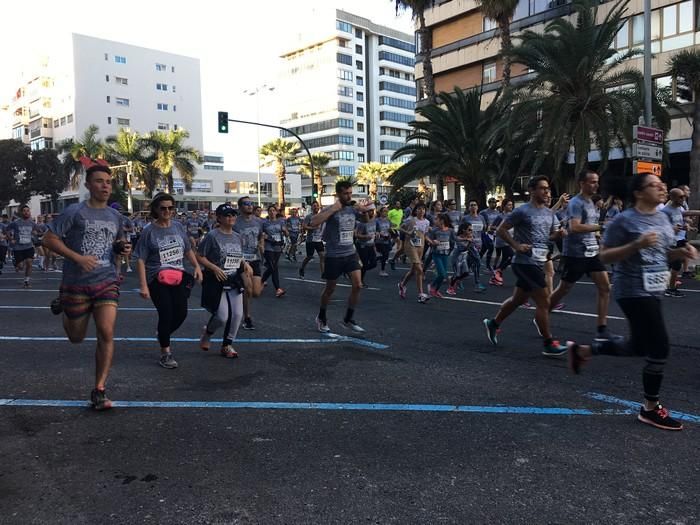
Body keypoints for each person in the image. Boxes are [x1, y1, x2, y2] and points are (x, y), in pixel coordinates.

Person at [567, 173, 697, 431]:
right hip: (632, 289)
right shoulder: (623, 221)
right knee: (659, 347)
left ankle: (582, 351)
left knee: (638, 346)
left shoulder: (661, 217)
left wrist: (681, 251)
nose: (662, 188)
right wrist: (636, 245)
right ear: (638, 192)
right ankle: (650, 408)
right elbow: (604, 256)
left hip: (654, 289)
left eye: (662, 184)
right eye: (654, 185)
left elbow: (660, 253)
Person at [42, 160, 130, 411]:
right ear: (88, 185)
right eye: (100, 181)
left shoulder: (116, 216)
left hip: (106, 281)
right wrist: (78, 258)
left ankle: (99, 390)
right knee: (76, 337)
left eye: (108, 182)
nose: (105, 186)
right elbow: (48, 239)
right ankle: (64, 305)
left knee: (106, 332)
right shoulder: (74, 212)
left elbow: (115, 242)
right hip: (76, 283)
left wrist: (122, 248)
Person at [483, 176, 568, 356]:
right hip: (524, 262)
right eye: (542, 188)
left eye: (548, 188)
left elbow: (549, 236)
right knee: (544, 301)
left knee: (518, 300)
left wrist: (559, 234)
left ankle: (493, 323)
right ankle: (548, 343)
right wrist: (516, 246)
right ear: (532, 190)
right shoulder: (522, 211)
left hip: (539, 261)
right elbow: (501, 230)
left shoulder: (549, 213)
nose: (546, 192)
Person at [134, 193, 202, 369]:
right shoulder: (149, 231)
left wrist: (196, 266)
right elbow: (140, 259)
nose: (167, 211)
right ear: (156, 209)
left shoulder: (178, 227)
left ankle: (163, 334)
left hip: (178, 275)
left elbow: (187, 250)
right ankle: (166, 353)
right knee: (166, 313)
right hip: (157, 277)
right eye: (163, 208)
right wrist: (143, 285)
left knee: (181, 313)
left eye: (170, 208)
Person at [548, 170, 612, 341]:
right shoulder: (576, 203)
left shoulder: (591, 203)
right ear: (582, 183)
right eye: (592, 182)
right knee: (564, 289)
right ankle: (542, 314)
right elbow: (574, 227)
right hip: (575, 254)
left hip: (592, 252)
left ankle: (601, 328)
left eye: (597, 182)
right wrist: (601, 227)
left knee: (605, 287)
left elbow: (590, 226)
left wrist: (597, 233)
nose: (596, 185)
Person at [311, 180, 372, 333]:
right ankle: (321, 317)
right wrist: (333, 209)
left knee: (358, 285)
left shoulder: (352, 208)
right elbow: (314, 222)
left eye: (350, 193)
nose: (348, 196)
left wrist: (364, 210)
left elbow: (366, 221)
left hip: (350, 253)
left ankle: (348, 319)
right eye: (345, 193)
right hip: (334, 255)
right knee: (330, 289)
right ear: (338, 194)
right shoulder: (331, 209)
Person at [197, 204, 254, 359]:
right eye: (227, 215)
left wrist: (245, 263)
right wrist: (214, 268)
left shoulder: (237, 236)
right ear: (219, 218)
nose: (231, 218)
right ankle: (207, 334)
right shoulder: (212, 236)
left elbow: (237, 255)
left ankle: (227, 345)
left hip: (233, 278)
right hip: (217, 279)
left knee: (237, 314)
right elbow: (199, 255)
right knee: (222, 316)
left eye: (233, 215)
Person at [661, 187, 700, 296]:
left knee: (671, 266)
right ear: (672, 197)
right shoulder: (665, 211)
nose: (684, 198)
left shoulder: (679, 208)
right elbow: (659, 227)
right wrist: (671, 229)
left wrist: (687, 226)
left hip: (679, 240)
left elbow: (685, 215)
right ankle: (671, 289)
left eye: (684, 196)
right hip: (670, 242)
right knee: (676, 266)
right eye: (681, 196)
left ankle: (666, 286)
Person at [233, 196, 265, 329]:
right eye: (246, 204)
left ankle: (241, 291)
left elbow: (260, 236)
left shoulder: (258, 222)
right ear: (240, 207)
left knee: (256, 292)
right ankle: (247, 318)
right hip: (241, 260)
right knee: (248, 289)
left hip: (255, 258)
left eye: (251, 203)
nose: (249, 206)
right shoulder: (235, 222)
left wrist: (261, 245)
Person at [397, 203, 431, 303]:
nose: (421, 211)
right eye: (419, 209)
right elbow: (400, 227)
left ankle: (402, 285)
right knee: (420, 269)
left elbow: (424, 235)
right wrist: (408, 233)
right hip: (410, 245)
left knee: (413, 270)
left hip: (420, 246)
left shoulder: (427, 222)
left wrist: (431, 241)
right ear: (415, 210)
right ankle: (421, 294)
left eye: (423, 209)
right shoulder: (411, 220)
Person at [261, 205, 288, 298]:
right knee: (274, 267)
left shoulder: (281, 222)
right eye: (270, 210)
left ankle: (260, 282)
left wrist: (285, 231)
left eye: (273, 210)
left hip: (278, 247)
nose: (272, 212)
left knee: (272, 267)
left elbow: (286, 233)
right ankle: (278, 289)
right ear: (268, 212)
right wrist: (264, 237)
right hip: (268, 247)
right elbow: (261, 234)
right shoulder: (265, 223)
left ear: (276, 212)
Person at [7, 205, 37, 288]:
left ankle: (26, 281)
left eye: (28, 210)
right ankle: (15, 262)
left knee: (29, 263)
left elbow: (35, 231)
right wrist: (11, 239)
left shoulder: (32, 223)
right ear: (21, 212)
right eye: (24, 210)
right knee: (20, 267)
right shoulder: (16, 222)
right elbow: (7, 230)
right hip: (18, 248)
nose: (26, 212)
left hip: (29, 246)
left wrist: (35, 233)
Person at [461, 200, 487, 292]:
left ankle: (457, 278)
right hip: (470, 244)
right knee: (477, 262)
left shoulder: (481, 218)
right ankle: (477, 283)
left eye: (475, 205)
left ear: (477, 207)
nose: (473, 207)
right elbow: (461, 231)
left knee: (469, 262)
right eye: (471, 205)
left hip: (479, 243)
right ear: (468, 208)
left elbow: (484, 230)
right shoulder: (465, 218)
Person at [427, 213, 454, 297]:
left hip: (445, 255)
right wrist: (432, 242)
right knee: (441, 274)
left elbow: (454, 240)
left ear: (442, 221)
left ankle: (436, 290)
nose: (435, 221)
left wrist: (465, 239)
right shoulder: (435, 230)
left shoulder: (450, 230)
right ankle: (431, 286)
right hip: (436, 254)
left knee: (444, 275)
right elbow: (428, 239)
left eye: (436, 219)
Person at [299, 201, 325, 279]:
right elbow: (304, 226)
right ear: (312, 207)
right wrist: (312, 228)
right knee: (309, 257)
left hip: (318, 239)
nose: (316, 207)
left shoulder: (321, 216)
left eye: (317, 206)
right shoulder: (309, 216)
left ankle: (323, 274)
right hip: (310, 240)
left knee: (322, 256)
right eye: (314, 206)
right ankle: (302, 269)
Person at [355, 204, 378, 287]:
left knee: (374, 263)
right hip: (362, 245)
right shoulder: (362, 223)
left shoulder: (374, 221)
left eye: (372, 210)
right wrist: (366, 236)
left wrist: (377, 234)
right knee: (364, 264)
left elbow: (374, 232)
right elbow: (357, 235)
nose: (371, 212)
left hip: (370, 245)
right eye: (369, 211)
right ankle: (360, 280)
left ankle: (356, 272)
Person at [479, 198, 502, 272]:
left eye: (495, 203)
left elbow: (499, 223)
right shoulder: (483, 212)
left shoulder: (498, 213)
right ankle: (488, 266)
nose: (494, 204)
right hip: (485, 233)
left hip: (494, 234)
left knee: (483, 250)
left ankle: (475, 262)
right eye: (493, 203)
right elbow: (480, 221)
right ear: (489, 203)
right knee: (491, 248)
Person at [375, 206, 393, 277]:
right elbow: (375, 230)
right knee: (384, 254)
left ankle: (382, 269)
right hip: (379, 241)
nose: (386, 213)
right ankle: (382, 270)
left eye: (387, 211)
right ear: (380, 212)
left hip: (387, 240)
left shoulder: (388, 220)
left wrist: (390, 233)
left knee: (386, 255)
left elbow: (390, 229)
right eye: (384, 211)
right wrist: (380, 234)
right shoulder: (377, 220)